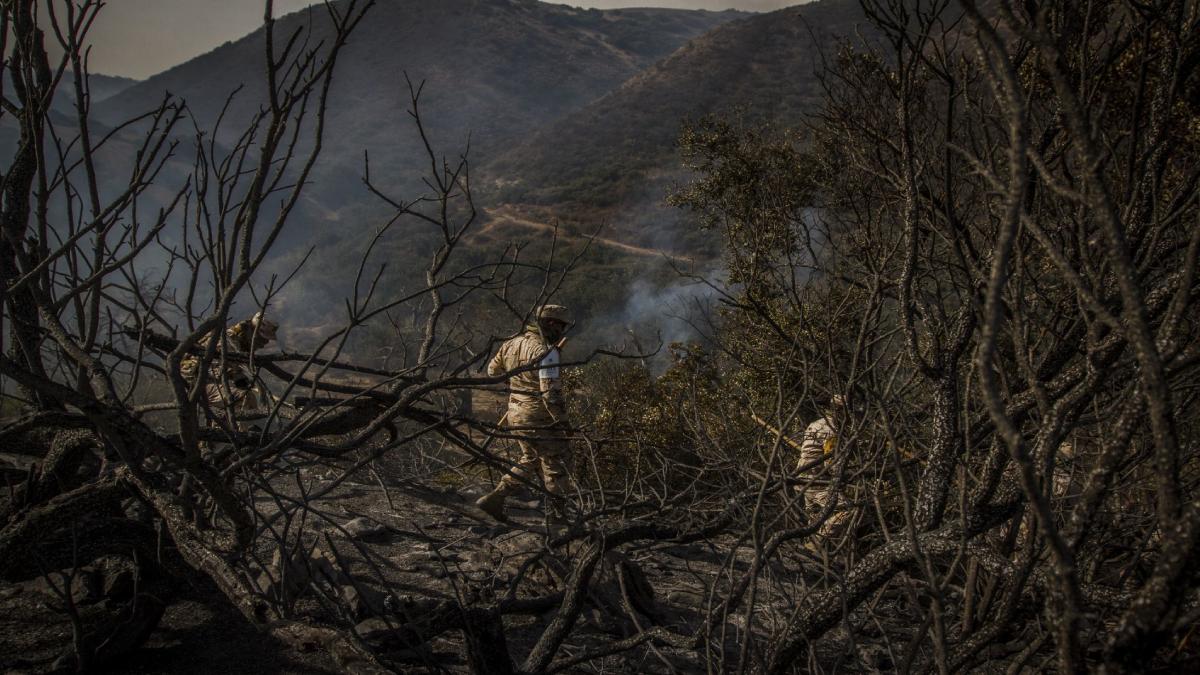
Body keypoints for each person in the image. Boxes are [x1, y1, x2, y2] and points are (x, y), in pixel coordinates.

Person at [475, 304, 574, 523]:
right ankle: (559, 516)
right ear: (549, 323)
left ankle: (495, 498)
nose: (561, 331)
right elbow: (550, 394)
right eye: (559, 326)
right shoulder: (547, 352)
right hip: (539, 416)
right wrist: (564, 422)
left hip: (515, 413)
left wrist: (519, 380)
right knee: (557, 462)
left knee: (530, 458)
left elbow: (493, 371)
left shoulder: (511, 343)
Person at [181, 311, 279, 425]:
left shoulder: (237, 342)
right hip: (193, 384)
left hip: (203, 383)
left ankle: (218, 431)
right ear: (254, 334)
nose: (264, 344)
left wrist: (240, 379)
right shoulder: (230, 342)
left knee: (240, 399)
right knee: (245, 398)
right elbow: (217, 369)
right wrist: (237, 376)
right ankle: (232, 433)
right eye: (263, 339)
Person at [797, 394, 849, 538]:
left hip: (802, 477)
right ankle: (818, 541)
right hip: (817, 481)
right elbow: (831, 464)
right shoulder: (832, 430)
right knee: (847, 510)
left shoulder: (815, 424)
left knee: (815, 519)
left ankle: (814, 549)